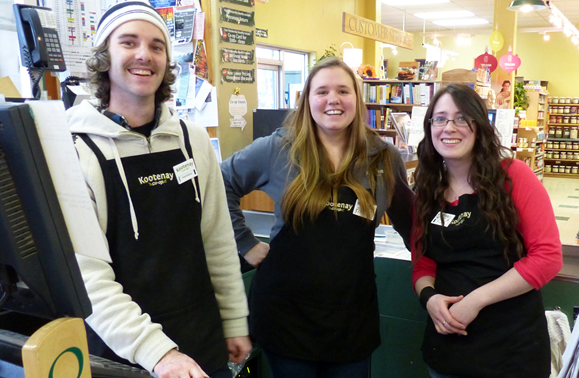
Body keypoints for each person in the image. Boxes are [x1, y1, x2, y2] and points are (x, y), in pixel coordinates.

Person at [66, 1, 251, 377]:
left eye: (156, 46)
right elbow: (87, 279)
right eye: (128, 42)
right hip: (122, 353)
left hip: (201, 341)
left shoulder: (192, 140)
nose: (143, 55)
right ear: (104, 55)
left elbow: (217, 240)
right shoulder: (74, 148)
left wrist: (233, 321)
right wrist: (159, 354)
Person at [221, 57, 413, 378]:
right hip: (286, 317)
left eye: (343, 91)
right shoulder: (279, 149)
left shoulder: (383, 157)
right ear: (307, 100)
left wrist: (436, 277)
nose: (333, 100)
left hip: (351, 318)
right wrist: (246, 243)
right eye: (321, 91)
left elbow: (413, 226)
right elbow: (219, 182)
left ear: (357, 98)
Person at [412, 83, 563, 378]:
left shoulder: (514, 176)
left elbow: (547, 257)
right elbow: (423, 260)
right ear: (430, 128)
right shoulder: (427, 190)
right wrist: (428, 298)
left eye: (460, 118)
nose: (449, 127)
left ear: (479, 126)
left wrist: (475, 301)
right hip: (448, 349)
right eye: (439, 118)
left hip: (512, 349)